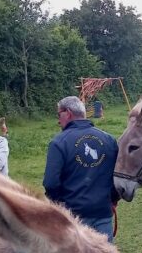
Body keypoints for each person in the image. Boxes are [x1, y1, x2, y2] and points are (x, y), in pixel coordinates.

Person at [43, 96, 119, 242]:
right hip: (103, 211)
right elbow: (118, 175)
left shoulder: (58, 142)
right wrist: (113, 199)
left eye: (59, 114)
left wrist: (59, 206)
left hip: (73, 217)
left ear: (68, 113)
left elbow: (50, 183)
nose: (58, 120)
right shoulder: (109, 140)